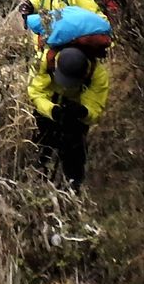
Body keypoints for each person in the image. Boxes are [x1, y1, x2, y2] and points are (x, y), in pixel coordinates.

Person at [29, 43, 108, 189]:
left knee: (75, 156)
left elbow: (95, 108)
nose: (66, 85)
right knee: (40, 148)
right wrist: (52, 110)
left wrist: (83, 112)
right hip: (48, 110)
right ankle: (36, 182)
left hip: (75, 116)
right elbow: (36, 93)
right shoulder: (45, 60)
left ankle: (72, 189)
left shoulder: (97, 75)